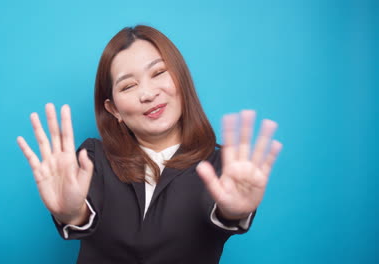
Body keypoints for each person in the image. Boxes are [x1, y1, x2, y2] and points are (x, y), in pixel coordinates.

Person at [17, 25, 283, 264]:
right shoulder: (93, 157)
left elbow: (220, 212)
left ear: (181, 79)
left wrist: (233, 212)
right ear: (113, 109)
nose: (148, 94)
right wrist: (72, 213)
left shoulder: (223, 164)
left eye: (158, 73)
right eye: (129, 86)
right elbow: (84, 211)